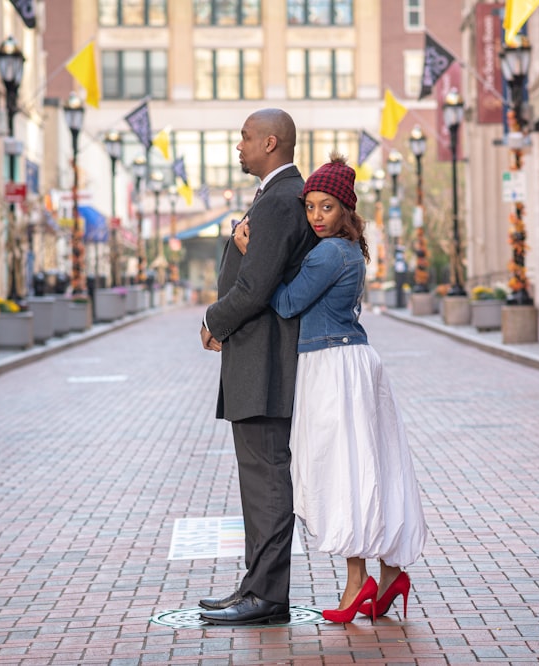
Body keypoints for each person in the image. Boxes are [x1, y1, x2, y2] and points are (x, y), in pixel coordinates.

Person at [233, 152, 427, 624]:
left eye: (327, 207)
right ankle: (388, 570)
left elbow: (286, 303)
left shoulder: (327, 253)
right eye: (311, 207)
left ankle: (358, 583)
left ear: (346, 210)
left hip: (332, 364)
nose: (317, 217)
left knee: (343, 469)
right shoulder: (348, 250)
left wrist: (253, 258)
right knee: (369, 464)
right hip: (348, 360)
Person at [198, 109, 318, 626]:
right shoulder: (276, 197)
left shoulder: (277, 202)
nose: (238, 146)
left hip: (265, 365)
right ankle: (255, 586)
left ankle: (267, 597)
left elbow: (255, 288)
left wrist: (213, 320)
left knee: (266, 478)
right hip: (259, 362)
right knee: (259, 479)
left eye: (245, 138)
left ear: (271, 143)